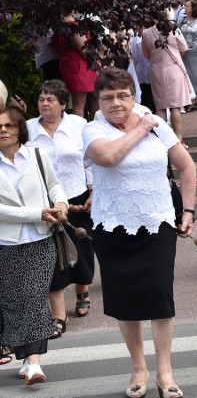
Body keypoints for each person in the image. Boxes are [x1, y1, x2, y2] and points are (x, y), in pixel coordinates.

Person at [82, 67, 196, 398]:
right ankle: (137, 368)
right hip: (112, 225)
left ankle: (165, 370)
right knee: (125, 298)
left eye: (123, 95)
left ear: (134, 96)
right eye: (108, 97)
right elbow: (107, 157)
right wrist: (142, 127)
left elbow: (186, 166)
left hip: (157, 223)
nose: (116, 103)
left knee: (160, 293)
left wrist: (187, 210)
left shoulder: (156, 124)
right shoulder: (93, 131)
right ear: (98, 101)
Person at [0, 103, 68, 385]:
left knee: (35, 296)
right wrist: (36, 212)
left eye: (9, 126)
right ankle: (26, 358)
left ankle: (35, 363)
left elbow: (54, 185)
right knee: (14, 301)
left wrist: (61, 204)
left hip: (41, 239)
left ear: (20, 130)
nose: (3, 131)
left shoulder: (37, 155)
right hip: (6, 243)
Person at [25, 81, 94, 340]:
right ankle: (58, 313)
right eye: (41, 98)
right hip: (44, 200)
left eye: (50, 99)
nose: (44, 103)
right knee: (51, 251)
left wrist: (93, 190)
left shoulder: (78, 125)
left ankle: (82, 290)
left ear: (63, 104)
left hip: (76, 195)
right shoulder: (29, 128)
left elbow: (90, 160)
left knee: (82, 247)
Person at [142, 14, 192, 146]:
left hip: (157, 70)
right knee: (175, 106)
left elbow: (146, 54)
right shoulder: (173, 29)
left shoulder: (146, 33)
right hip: (174, 68)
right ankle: (178, 138)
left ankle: (162, 139)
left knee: (160, 106)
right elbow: (184, 48)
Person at [54, 11, 99, 118]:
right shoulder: (73, 26)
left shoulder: (60, 27)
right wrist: (98, 64)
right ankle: (79, 131)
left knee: (78, 102)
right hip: (79, 66)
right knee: (79, 104)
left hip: (70, 64)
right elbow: (84, 50)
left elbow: (55, 46)